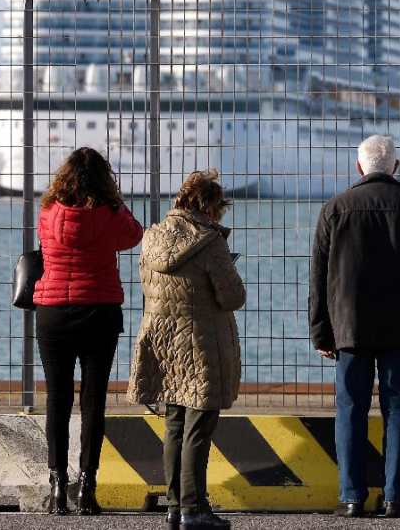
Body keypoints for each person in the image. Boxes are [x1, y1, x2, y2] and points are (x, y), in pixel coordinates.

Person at [308, 135, 400, 518]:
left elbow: (318, 278)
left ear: (359, 167)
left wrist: (322, 331)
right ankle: (395, 498)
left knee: (350, 410)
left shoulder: (335, 208)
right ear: (396, 167)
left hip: (349, 327)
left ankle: (351, 498)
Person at [128, 170, 245, 530]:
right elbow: (233, 296)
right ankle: (194, 509)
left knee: (175, 425)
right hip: (200, 343)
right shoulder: (210, 242)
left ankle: (175, 506)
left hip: (163, 341)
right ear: (209, 207)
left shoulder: (152, 237)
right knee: (199, 426)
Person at [34, 147, 144, 515]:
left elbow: (45, 243)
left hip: (52, 313)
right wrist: (117, 202)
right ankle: (87, 487)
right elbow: (134, 235)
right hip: (99, 311)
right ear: (104, 180)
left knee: (57, 399)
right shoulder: (110, 214)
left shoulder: (48, 211)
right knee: (93, 401)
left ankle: (56, 485)